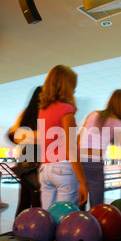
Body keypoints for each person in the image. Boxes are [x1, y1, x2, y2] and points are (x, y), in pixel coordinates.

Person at [78, 89, 121, 208]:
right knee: (97, 207)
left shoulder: (93, 114)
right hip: (94, 163)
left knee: (79, 202)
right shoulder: (117, 122)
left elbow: (78, 139)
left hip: (78, 161)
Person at [38, 64, 88, 210]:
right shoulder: (67, 110)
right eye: (73, 87)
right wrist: (83, 182)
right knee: (65, 220)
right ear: (68, 87)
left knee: (48, 220)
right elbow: (71, 147)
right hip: (64, 168)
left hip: (45, 169)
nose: (74, 90)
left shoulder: (43, 110)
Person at [8, 86, 42, 219]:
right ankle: (37, 232)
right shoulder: (44, 112)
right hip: (37, 157)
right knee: (37, 200)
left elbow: (12, 135)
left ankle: (18, 230)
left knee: (24, 199)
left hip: (24, 156)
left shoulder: (25, 113)